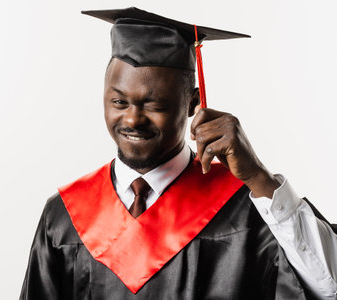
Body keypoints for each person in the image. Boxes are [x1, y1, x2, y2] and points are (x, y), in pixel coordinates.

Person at [20, 7, 337, 300]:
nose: (132, 119)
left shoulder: (246, 206)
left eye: (154, 104)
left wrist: (259, 178)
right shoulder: (64, 215)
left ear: (192, 103)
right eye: (119, 102)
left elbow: (328, 286)